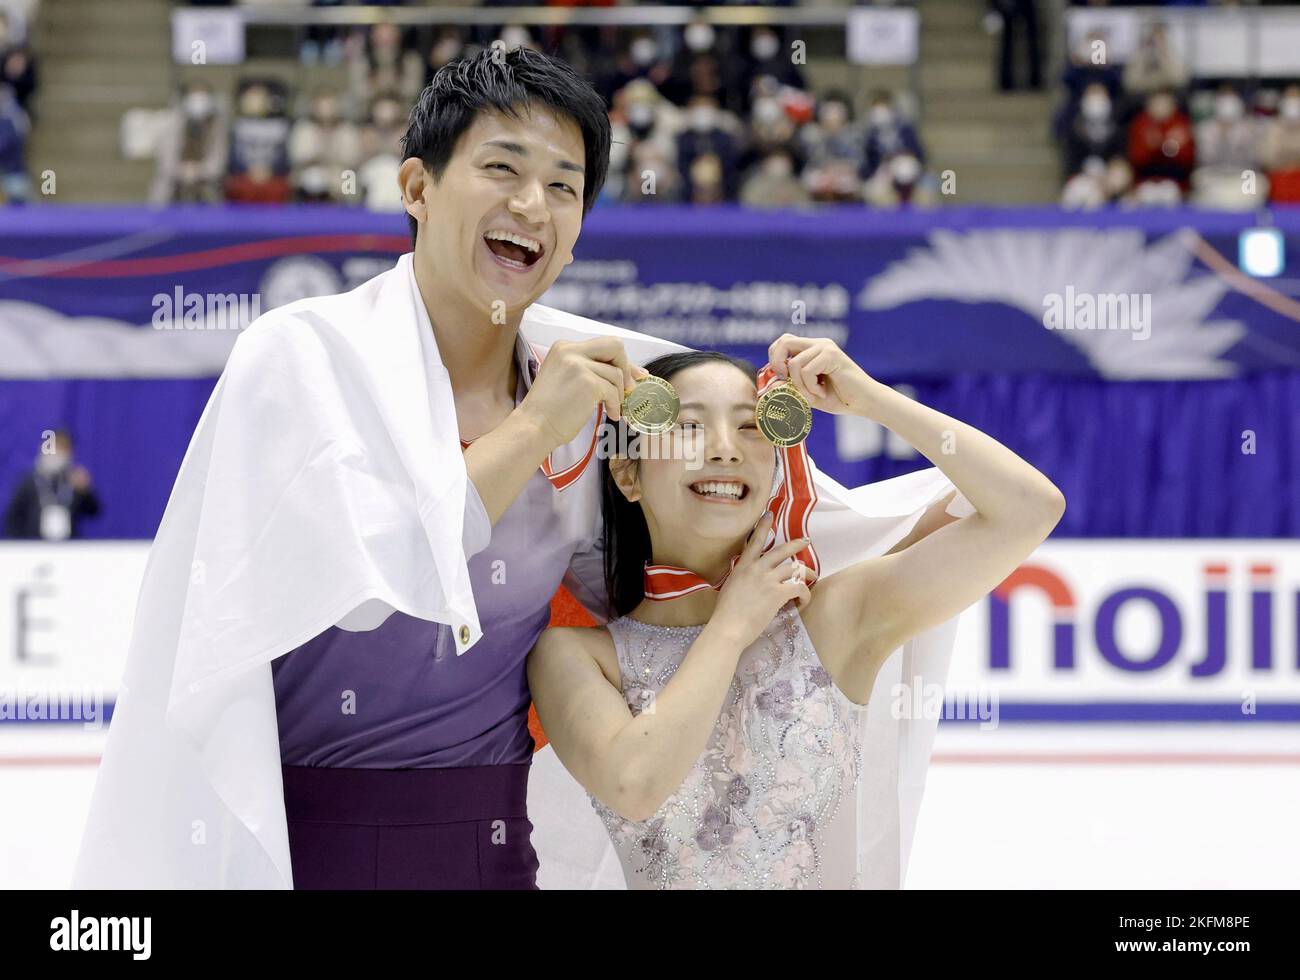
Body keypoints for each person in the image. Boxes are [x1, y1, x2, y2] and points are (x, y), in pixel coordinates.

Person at [73, 46, 977, 891]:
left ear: (579, 233)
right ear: (417, 186)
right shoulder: (306, 359)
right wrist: (534, 428)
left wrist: (898, 525)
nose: (533, 206)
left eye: (563, 186)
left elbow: (704, 532)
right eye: (502, 170)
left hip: (495, 843)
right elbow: (368, 585)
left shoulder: (585, 393)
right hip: (319, 840)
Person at [528, 344, 1064, 888]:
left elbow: (1030, 509)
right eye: (689, 426)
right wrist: (731, 624)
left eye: (750, 428)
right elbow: (635, 786)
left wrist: (873, 400)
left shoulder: (832, 620)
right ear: (627, 473)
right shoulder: (575, 656)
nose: (724, 449)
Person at [4, 429, 101, 541]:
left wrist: (86, 490)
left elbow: (94, 511)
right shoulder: (30, 481)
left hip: (68, 548)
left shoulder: (73, 480)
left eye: (63, 448)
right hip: (33, 547)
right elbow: (14, 516)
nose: (57, 452)